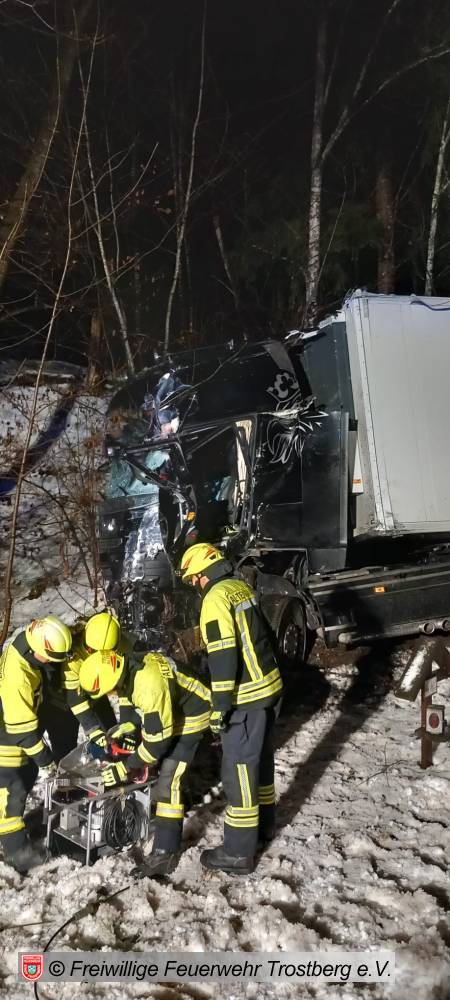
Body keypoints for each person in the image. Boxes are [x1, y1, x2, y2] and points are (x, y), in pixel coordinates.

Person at [180, 542, 283, 875]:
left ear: (201, 574)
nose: (195, 585)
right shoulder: (239, 588)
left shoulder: (214, 599)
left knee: (238, 773)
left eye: (193, 578)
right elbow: (265, 637)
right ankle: (264, 828)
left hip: (245, 698)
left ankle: (238, 853)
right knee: (260, 765)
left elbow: (223, 656)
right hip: (268, 688)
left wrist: (220, 705)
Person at [79, 646, 211, 877]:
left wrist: (125, 767)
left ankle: (165, 853)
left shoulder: (148, 685)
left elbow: (155, 745)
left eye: (109, 691)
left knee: (169, 781)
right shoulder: (128, 664)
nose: (111, 695)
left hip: (193, 715)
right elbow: (136, 702)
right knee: (162, 769)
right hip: (176, 709)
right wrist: (131, 724)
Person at [0, 615, 72, 873]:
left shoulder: (27, 643)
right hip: (6, 734)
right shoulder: (17, 677)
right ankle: (16, 852)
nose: (50, 663)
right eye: (49, 658)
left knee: (25, 775)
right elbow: (23, 733)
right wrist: (46, 761)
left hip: (11, 727)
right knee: (12, 788)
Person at [62, 611, 134, 753]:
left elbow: (127, 688)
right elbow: (74, 697)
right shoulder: (73, 658)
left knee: (112, 731)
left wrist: (127, 725)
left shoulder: (125, 648)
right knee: (66, 741)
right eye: (91, 650)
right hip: (68, 700)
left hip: (100, 694)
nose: (95, 656)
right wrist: (92, 729)